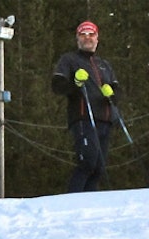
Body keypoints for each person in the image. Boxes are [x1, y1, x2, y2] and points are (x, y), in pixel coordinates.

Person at [51, 20, 120, 193]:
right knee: (87, 162)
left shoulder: (104, 64)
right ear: (77, 39)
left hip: (105, 119)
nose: (87, 38)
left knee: (99, 167)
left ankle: (89, 203)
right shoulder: (70, 59)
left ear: (97, 39)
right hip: (83, 117)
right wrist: (75, 83)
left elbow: (118, 92)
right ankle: (73, 200)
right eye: (83, 34)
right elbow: (57, 85)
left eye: (91, 34)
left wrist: (112, 94)